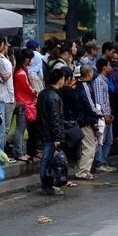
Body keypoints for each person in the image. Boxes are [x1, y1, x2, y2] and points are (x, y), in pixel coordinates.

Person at [36, 68, 68, 196]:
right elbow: (55, 119)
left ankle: (47, 184)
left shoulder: (43, 93)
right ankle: (47, 185)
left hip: (43, 131)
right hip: (50, 134)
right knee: (48, 160)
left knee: (47, 159)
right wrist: (57, 137)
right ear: (60, 80)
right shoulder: (54, 97)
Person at [73, 65, 101, 180]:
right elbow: (90, 105)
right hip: (85, 121)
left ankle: (83, 170)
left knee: (87, 146)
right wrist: (99, 114)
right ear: (89, 73)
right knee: (89, 147)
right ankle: (82, 172)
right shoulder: (85, 86)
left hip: (83, 119)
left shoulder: (79, 86)